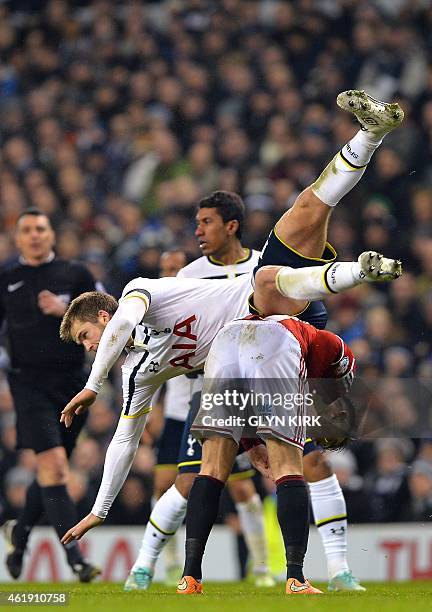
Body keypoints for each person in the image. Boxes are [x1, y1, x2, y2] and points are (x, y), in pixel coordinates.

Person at [59, 90, 403, 556]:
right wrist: (99, 511)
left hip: (274, 308)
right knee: (306, 213)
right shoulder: (138, 372)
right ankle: (369, 164)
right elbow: (124, 441)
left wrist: (93, 385)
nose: (88, 347)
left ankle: (370, 159)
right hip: (260, 337)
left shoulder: (144, 293)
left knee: (298, 224)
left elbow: (123, 322)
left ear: (104, 315)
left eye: (85, 336)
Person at [125, 205, 275, 589]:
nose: (173, 275)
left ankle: (262, 569)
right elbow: (150, 360)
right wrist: (151, 410)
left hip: (243, 392)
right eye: (167, 271)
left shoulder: (256, 266)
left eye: (177, 267)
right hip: (191, 401)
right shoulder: (166, 296)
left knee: (242, 484)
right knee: (177, 483)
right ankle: (160, 567)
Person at [177, 312, 358, 595]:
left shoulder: (320, 380)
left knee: (211, 469)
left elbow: (251, 391)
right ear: (341, 408)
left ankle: (189, 578)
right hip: (277, 340)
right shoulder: (336, 365)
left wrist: (250, 444)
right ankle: (296, 579)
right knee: (288, 467)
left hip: (227, 338)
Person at [0, 209, 100, 581]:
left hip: (73, 384)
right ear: (18, 238)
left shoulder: (76, 274)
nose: (34, 235)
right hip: (28, 385)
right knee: (55, 467)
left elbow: (108, 317)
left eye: (41, 228)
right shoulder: (7, 278)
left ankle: (21, 532)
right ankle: (76, 559)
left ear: (52, 234)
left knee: (51, 474)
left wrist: (65, 311)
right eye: (26, 230)